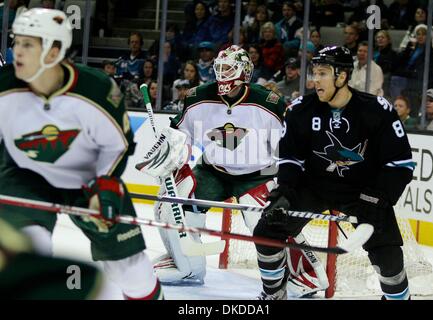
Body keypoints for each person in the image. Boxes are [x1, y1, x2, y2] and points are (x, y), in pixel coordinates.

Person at [138, 45, 329, 297]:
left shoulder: (268, 103)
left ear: (244, 72)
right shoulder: (198, 97)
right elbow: (179, 134)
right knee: (169, 203)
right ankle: (187, 266)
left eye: (228, 69)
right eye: (219, 69)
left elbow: (291, 142)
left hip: (257, 173)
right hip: (213, 171)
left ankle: (308, 274)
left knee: (272, 222)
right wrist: (169, 154)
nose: (222, 75)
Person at [0, 8, 163, 300]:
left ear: (53, 52)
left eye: (28, 44)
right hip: (23, 178)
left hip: (87, 177)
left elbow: (117, 146)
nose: (16, 51)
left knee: (131, 271)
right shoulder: (4, 86)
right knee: (25, 252)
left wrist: (106, 185)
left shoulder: (97, 90)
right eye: (16, 42)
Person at [253, 46, 415, 300]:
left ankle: (397, 297)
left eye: (323, 73)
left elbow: (400, 163)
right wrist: (284, 189)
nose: (315, 79)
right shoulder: (299, 110)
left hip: (364, 191)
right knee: (267, 230)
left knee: (388, 255)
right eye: (314, 73)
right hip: (314, 186)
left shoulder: (377, 110)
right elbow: (290, 158)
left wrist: (378, 197)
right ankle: (273, 293)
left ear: (342, 76)